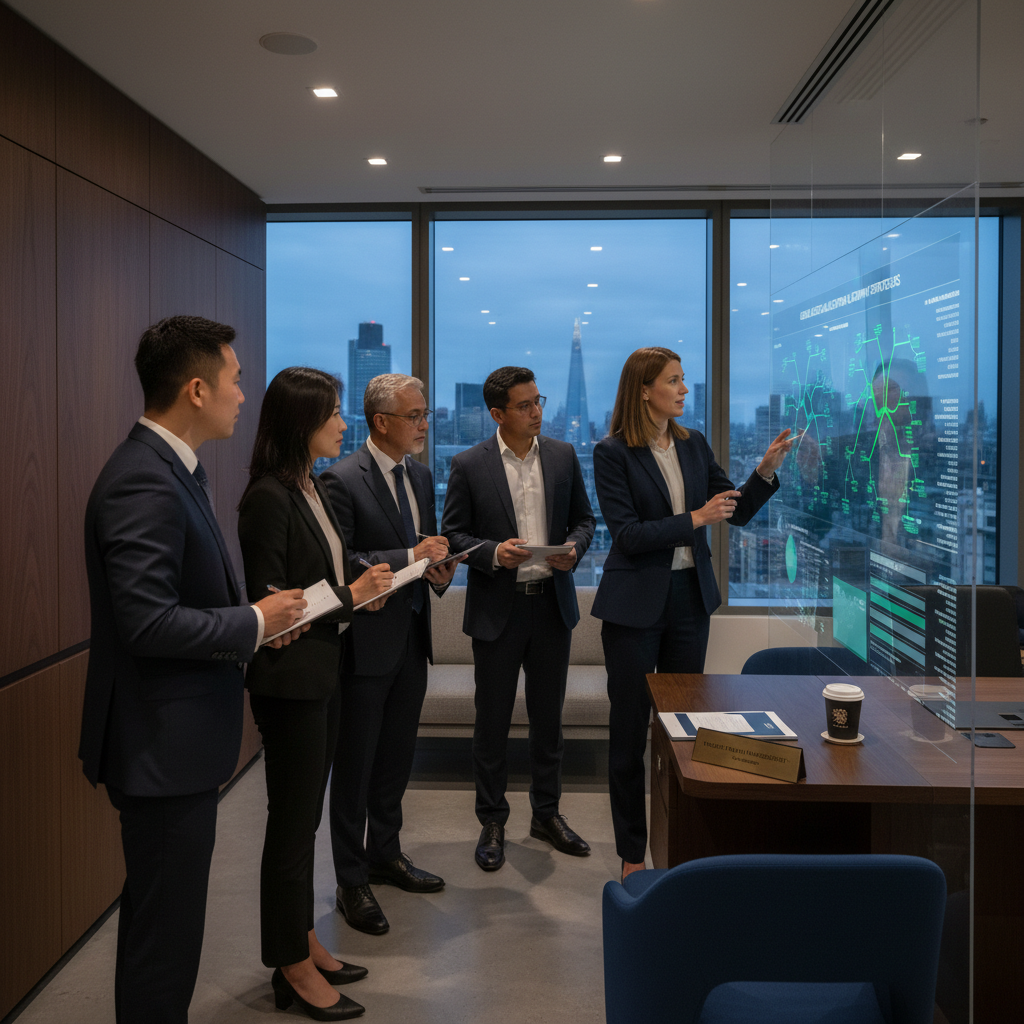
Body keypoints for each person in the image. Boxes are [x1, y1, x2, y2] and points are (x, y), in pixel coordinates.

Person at [80, 315, 308, 1024]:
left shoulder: (176, 469)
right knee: (164, 938)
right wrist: (251, 623)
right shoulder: (143, 481)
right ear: (198, 388)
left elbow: (184, 601)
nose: (246, 396)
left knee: (171, 929)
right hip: (160, 749)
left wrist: (252, 618)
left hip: (175, 745)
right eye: (237, 382)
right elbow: (146, 623)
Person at [592, 346, 795, 884]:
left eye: (684, 380)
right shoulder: (612, 452)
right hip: (634, 605)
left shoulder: (692, 443)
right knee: (630, 729)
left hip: (689, 602)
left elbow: (738, 511)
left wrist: (763, 473)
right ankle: (632, 849)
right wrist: (694, 518)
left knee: (684, 728)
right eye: (674, 381)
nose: (684, 389)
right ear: (643, 390)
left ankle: (682, 838)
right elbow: (629, 536)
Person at [238, 368, 395, 1021]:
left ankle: (302, 938)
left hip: (324, 674)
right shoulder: (267, 497)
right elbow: (274, 607)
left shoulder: (312, 487)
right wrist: (349, 598)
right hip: (291, 684)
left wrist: (372, 577)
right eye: (333, 413)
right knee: (292, 826)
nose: (343, 423)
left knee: (303, 825)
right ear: (303, 421)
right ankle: (290, 966)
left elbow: (326, 574)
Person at [320, 374, 462, 935]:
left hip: (411, 637)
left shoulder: (422, 476)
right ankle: (350, 881)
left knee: (396, 760)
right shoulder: (341, 480)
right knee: (354, 767)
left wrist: (437, 568)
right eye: (415, 415)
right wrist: (411, 552)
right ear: (382, 422)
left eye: (426, 414)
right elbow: (342, 562)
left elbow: (421, 555)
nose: (425, 424)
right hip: (364, 645)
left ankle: (385, 854)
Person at [441, 366, 596, 871]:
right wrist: (491, 552)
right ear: (497, 414)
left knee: (548, 722)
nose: (537, 412)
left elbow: (584, 519)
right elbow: (454, 536)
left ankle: (545, 814)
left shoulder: (563, 455)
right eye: (526, 405)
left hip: (551, 605)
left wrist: (574, 548)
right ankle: (492, 820)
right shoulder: (468, 464)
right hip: (497, 612)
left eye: (538, 401)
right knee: (492, 724)